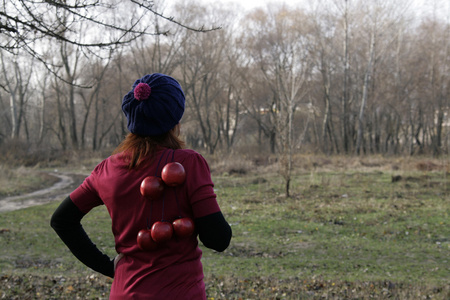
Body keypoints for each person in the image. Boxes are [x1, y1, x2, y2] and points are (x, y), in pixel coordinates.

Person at [50, 73, 232, 299]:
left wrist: (107, 266)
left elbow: (62, 220)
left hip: (125, 291)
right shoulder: (187, 164)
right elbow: (218, 239)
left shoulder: (106, 170)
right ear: (175, 121)